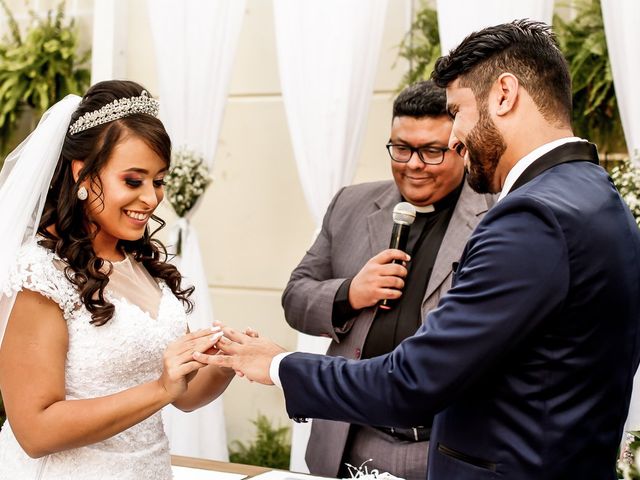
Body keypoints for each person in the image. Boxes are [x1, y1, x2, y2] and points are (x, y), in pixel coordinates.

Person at [197, 20, 640, 479]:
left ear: (504, 95)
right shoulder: (600, 197)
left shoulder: (531, 219)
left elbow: (411, 382)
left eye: (459, 112)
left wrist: (276, 364)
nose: (454, 138)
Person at [0, 80, 232, 479]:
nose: (151, 198)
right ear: (83, 175)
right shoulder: (40, 275)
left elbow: (187, 393)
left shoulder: (141, 263)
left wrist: (228, 359)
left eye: (159, 181)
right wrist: (159, 389)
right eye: (133, 181)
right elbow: (34, 430)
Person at [282, 80, 493, 479]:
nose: (413, 163)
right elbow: (295, 298)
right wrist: (349, 293)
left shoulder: (496, 215)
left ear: (460, 147)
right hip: (353, 434)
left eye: (432, 151)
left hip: (444, 444)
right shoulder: (351, 204)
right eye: (401, 148)